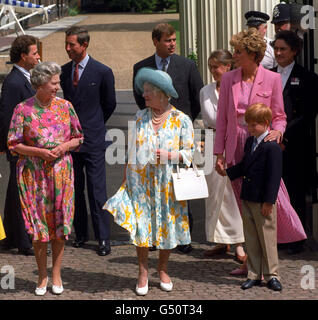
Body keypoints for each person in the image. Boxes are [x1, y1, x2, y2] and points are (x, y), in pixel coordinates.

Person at [214, 28, 307, 275]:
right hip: (236, 148)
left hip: (263, 149)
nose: (234, 55)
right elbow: (222, 119)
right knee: (246, 208)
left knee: (270, 203)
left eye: (238, 51)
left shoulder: (272, 79)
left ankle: (271, 257)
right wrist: (219, 154)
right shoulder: (228, 79)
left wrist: (278, 132)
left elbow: (279, 116)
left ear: (253, 54)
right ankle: (252, 262)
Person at [104, 67, 194, 296]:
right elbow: (130, 152)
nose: (143, 95)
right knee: (140, 226)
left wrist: (170, 156)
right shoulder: (138, 117)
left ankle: (162, 269)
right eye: (143, 91)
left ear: (162, 93)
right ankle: (143, 272)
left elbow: (191, 154)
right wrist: (126, 178)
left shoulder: (181, 120)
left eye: (147, 91)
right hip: (140, 183)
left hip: (167, 185)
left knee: (167, 226)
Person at [7, 62, 84, 296]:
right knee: (39, 227)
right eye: (54, 83)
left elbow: (79, 137)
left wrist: (63, 147)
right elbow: (13, 144)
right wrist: (39, 152)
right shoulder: (23, 109)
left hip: (61, 173)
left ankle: (57, 274)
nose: (58, 87)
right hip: (34, 175)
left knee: (59, 226)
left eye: (58, 82)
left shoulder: (65, 106)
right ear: (40, 84)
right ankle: (42, 277)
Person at [133, 22, 203, 254]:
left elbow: (196, 98)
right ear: (155, 41)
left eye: (174, 40)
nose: (172, 44)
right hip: (152, 133)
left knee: (181, 189)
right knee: (152, 191)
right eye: (167, 40)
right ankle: (154, 236)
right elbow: (139, 98)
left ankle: (183, 238)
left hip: (179, 133)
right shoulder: (141, 66)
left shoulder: (187, 65)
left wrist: (185, 129)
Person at [60, 26, 116, 256]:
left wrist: (93, 124)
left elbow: (109, 104)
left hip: (93, 139)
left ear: (84, 45)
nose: (67, 48)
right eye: (67, 44)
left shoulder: (102, 71)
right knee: (74, 189)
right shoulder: (63, 72)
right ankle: (80, 234)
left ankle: (103, 238)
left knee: (97, 190)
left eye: (71, 44)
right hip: (70, 141)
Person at [224, 103, 283, 291]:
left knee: (267, 238)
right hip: (248, 196)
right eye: (248, 124)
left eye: (253, 125)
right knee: (251, 238)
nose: (249, 129)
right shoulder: (251, 142)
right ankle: (254, 274)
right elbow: (244, 165)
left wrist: (269, 201)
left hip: (262, 200)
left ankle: (272, 274)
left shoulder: (272, 147)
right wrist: (227, 172)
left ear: (266, 123)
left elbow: (274, 177)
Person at [271, 31, 318, 254]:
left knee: (294, 191)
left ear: (295, 51)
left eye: (283, 49)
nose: (278, 53)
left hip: (294, 144)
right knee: (274, 191)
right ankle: (278, 235)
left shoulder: (308, 78)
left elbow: (307, 115)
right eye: (276, 48)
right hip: (269, 142)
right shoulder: (266, 74)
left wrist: (284, 136)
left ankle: (296, 237)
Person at [200, 50, 245, 262]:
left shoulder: (238, 87)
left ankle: (239, 243)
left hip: (234, 143)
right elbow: (211, 117)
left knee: (233, 194)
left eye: (216, 66)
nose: (213, 71)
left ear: (228, 67)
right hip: (212, 143)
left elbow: (235, 116)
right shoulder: (205, 91)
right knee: (214, 195)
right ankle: (220, 240)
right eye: (211, 67)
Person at [0, 35, 40, 255]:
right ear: (23, 56)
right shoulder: (14, 82)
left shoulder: (24, 78)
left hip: (22, 146)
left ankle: (10, 237)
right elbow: (7, 116)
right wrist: (12, 146)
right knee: (20, 193)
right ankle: (24, 241)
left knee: (14, 192)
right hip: (19, 147)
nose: (38, 56)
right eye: (34, 53)